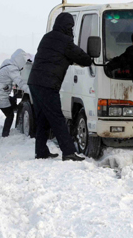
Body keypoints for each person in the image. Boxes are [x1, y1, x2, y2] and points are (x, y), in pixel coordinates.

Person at [28, 12, 92, 161]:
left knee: (43, 118)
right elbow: (83, 58)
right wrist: (89, 58)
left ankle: (41, 151)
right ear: (68, 26)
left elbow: (52, 56)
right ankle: (69, 152)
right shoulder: (65, 42)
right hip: (48, 84)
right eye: (71, 26)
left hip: (34, 82)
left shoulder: (47, 37)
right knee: (57, 118)